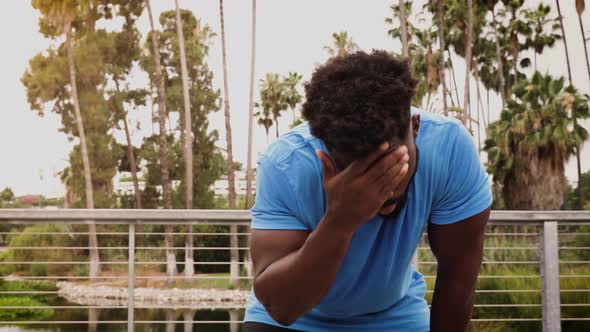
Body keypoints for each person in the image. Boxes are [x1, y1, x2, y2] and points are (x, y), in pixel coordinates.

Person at [242, 50, 492, 332]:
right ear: (325, 154)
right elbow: (281, 307)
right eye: (360, 174)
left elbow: (457, 275)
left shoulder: (450, 150)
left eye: (393, 165)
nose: (381, 192)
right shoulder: (287, 165)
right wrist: (339, 220)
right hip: (296, 319)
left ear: (415, 127)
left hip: (395, 315)